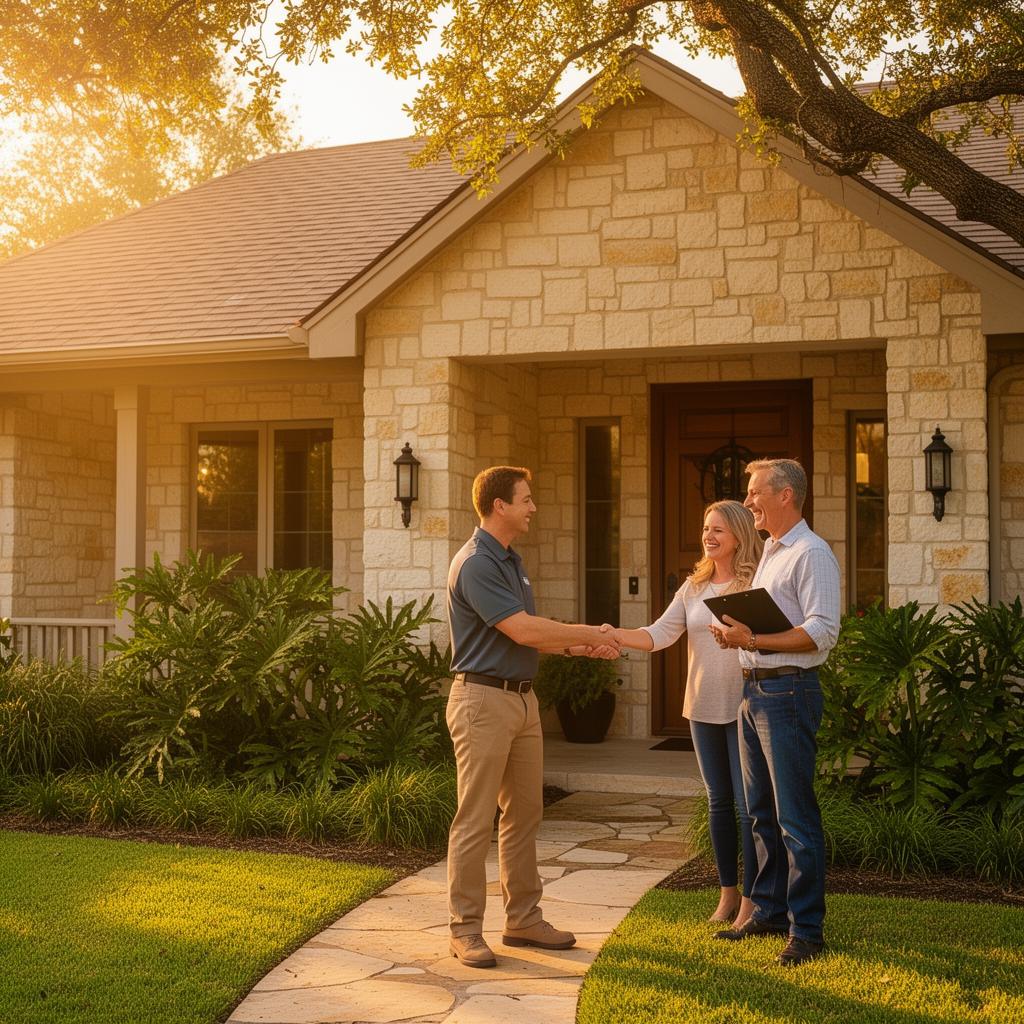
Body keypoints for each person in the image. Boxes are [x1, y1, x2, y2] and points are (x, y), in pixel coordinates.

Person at [445, 465, 619, 969]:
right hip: (483, 702)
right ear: (500, 505)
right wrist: (591, 630)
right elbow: (522, 630)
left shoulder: (510, 562)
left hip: (521, 700)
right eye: (526, 498)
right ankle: (465, 930)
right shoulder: (477, 563)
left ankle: (522, 918)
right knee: (475, 819)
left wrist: (581, 648)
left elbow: (527, 635)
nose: (533, 506)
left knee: (525, 814)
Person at [601, 500, 762, 927]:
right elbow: (658, 634)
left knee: (748, 807)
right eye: (706, 528)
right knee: (718, 802)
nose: (709, 536)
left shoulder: (756, 584)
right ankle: (727, 894)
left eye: (719, 531)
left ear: (739, 538)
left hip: (745, 705)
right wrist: (612, 633)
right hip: (702, 707)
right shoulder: (694, 587)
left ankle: (752, 899)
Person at [709, 459, 840, 967]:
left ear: (785, 495)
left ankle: (807, 931)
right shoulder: (771, 553)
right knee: (761, 811)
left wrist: (755, 639)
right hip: (755, 693)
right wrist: (737, 636)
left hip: (789, 694)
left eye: (755, 491)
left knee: (794, 819)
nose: (748, 502)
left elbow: (822, 632)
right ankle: (769, 911)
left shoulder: (812, 554)